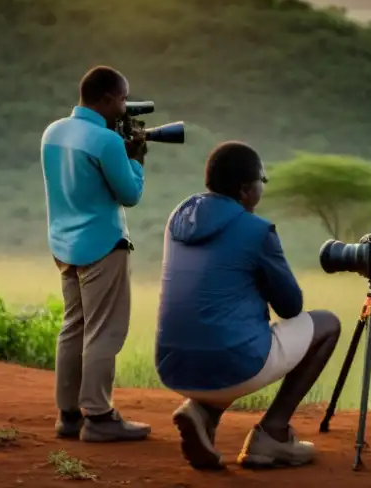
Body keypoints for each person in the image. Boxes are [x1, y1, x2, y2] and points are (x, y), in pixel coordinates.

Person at [155, 141, 341, 471]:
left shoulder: (178, 219)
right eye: (262, 181)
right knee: (327, 324)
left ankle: (201, 410)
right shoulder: (256, 230)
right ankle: (273, 433)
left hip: (171, 365)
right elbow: (291, 306)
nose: (262, 188)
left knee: (226, 331)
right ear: (245, 190)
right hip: (231, 365)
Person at [41, 66, 150, 442]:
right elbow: (130, 194)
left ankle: (68, 415)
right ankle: (100, 417)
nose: (125, 107)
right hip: (103, 245)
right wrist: (136, 159)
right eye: (122, 99)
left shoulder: (53, 132)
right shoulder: (105, 141)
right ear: (106, 99)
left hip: (64, 245)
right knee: (105, 331)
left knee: (74, 327)